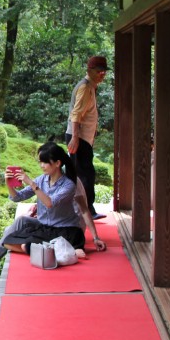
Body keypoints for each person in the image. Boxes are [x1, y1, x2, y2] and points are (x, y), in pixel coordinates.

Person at [0, 143, 104, 271]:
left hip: (65, 230)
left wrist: (31, 183)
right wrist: (9, 183)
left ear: (57, 163)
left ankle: (34, 248)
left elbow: (50, 203)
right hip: (45, 227)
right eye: (40, 162)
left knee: (15, 242)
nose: (41, 166)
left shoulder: (68, 185)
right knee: (15, 230)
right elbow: (17, 198)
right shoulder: (42, 180)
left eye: (45, 162)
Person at [65, 55, 109, 220]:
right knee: (83, 175)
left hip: (83, 138)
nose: (102, 74)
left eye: (104, 71)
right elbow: (76, 114)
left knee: (85, 173)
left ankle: (86, 209)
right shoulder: (84, 87)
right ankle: (85, 210)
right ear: (89, 70)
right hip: (78, 137)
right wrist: (75, 137)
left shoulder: (91, 87)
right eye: (99, 71)